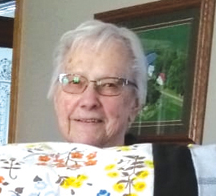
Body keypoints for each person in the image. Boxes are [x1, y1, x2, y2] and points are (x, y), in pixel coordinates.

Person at [49, 20, 147, 148]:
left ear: (135, 104)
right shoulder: (27, 166)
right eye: (75, 81)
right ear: (56, 98)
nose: (89, 102)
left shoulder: (162, 167)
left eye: (109, 85)